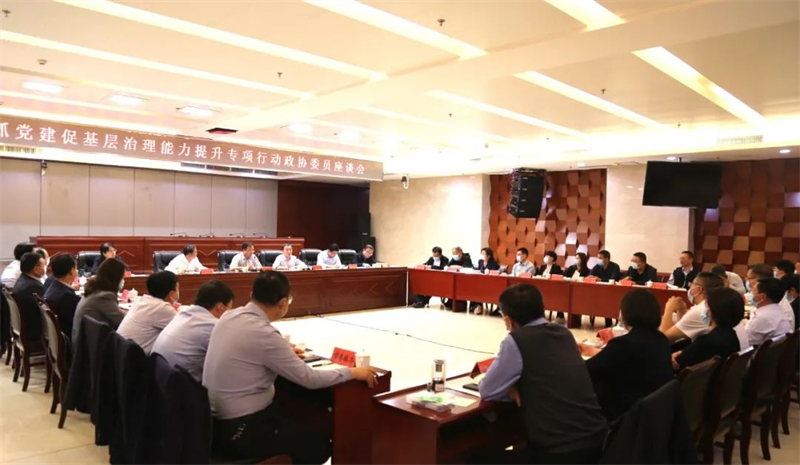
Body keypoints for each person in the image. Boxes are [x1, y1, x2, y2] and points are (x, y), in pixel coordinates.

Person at [203, 271, 378, 464]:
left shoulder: (229, 317)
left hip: (213, 424)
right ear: (283, 304)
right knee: (318, 448)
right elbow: (310, 379)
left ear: (252, 294)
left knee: (295, 414)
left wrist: (283, 351)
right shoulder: (264, 333)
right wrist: (351, 372)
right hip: (241, 428)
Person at [477, 284, 607, 464]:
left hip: (559, 453)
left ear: (508, 320)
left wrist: (514, 389)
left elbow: (487, 390)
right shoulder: (564, 333)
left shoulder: (516, 340)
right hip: (599, 444)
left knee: (475, 460)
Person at [578, 289, 673, 421]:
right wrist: (592, 351)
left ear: (625, 313)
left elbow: (584, 371)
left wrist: (569, 354)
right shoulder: (661, 340)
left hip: (622, 416)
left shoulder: (623, 344)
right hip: (654, 414)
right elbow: (626, 360)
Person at [152, 280, 234, 382]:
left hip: (158, 381)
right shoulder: (212, 326)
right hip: (181, 387)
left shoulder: (184, 313)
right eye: (230, 308)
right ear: (220, 307)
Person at [672, 287, 744, 370]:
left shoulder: (706, 341)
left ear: (711, 312)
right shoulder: (732, 336)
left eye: (706, 306)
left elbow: (675, 364)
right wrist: (683, 352)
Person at [117, 271, 179, 355]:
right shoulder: (162, 308)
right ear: (171, 294)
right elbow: (183, 330)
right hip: (132, 360)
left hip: (119, 354)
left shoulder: (142, 300)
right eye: (178, 288)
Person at [660, 272, 725, 343]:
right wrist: (681, 310)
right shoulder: (711, 306)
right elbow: (685, 329)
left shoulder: (701, 310)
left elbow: (664, 339)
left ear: (699, 289)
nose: (690, 287)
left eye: (692, 284)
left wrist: (669, 308)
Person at [73, 259, 126, 342]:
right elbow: (123, 321)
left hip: (83, 342)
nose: (123, 281)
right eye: (122, 277)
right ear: (115, 278)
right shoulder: (104, 296)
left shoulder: (94, 290)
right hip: (89, 345)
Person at [745, 277, 794, 347]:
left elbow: (746, 344)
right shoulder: (777, 310)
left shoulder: (762, 318)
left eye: (753, 290)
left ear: (762, 297)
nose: (751, 293)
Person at [43, 254, 81, 343]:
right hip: (68, 340)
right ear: (71, 271)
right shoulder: (67, 296)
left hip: (55, 338)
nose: (77, 270)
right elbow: (77, 323)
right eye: (76, 267)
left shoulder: (54, 286)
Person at [11, 252, 46, 342]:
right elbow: (45, 312)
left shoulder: (22, 280)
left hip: (23, 328)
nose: (45, 267)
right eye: (44, 265)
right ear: (36, 269)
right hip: (35, 332)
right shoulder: (33, 287)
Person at [591, 250, 622, 327]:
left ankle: (611, 320)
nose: (598, 260)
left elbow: (613, 279)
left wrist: (600, 279)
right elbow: (590, 276)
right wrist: (592, 278)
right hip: (600, 291)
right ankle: (607, 320)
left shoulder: (615, 266)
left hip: (613, 292)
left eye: (600, 258)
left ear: (607, 258)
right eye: (598, 258)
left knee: (608, 300)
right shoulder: (597, 266)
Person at [471, 248, 500, 315]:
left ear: (489, 256)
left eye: (484, 254)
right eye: (481, 253)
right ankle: (477, 305)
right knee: (474, 287)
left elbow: (493, 272)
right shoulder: (480, 261)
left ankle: (479, 306)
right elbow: (479, 270)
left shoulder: (493, 263)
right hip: (481, 281)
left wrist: (486, 272)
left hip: (491, 283)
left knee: (480, 289)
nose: (482, 255)